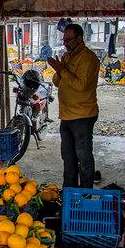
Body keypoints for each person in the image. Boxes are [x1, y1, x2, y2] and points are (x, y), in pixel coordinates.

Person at [47, 24, 99, 189]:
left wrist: (62, 70)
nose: (65, 43)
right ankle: (69, 191)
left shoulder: (88, 58)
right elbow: (57, 82)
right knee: (68, 157)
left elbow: (81, 85)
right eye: (64, 40)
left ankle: (85, 194)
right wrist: (58, 69)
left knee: (83, 157)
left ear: (79, 38)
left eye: (69, 40)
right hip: (67, 115)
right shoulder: (68, 57)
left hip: (82, 116)